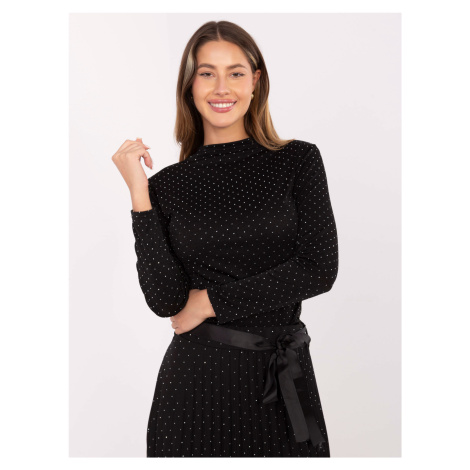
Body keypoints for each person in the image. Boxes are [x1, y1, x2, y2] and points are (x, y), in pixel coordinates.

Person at [112, 20, 339, 458]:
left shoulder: (298, 160)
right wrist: (140, 195)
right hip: (196, 385)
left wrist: (209, 302)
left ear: (255, 81)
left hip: (283, 379)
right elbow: (165, 301)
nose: (222, 87)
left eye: (235, 73)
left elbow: (318, 269)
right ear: (190, 86)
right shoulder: (167, 187)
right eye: (207, 73)